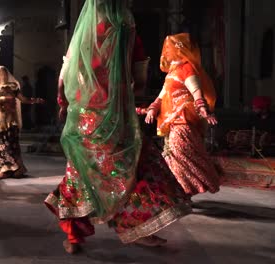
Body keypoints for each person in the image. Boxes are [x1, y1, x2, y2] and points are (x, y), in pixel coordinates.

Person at [45, 0, 191, 254]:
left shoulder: (84, 33)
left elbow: (64, 77)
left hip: (86, 118)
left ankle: (74, 237)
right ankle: (139, 228)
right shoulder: (128, 30)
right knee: (133, 169)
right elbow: (141, 80)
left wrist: (63, 103)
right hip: (116, 118)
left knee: (82, 173)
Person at [144, 32, 221, 195]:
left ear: (180, 49)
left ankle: (184, 190)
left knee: (181, 154)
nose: (167, 51)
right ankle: (183, 191)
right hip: (173, 122)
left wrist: (204, 111)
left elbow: (197, 92)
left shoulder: (187, 68)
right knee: (175, 156)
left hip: (185, 120)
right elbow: (162, 96)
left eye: (170, 48)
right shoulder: (172, 72)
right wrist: (152, 109)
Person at [0, 66, 45, 179]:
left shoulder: (13, 87)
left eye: (4, 73)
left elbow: (23, 99)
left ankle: (17, 168)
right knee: (1, 145)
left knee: (12, 145)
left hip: (11, 120)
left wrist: (35, 100)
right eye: (0, 73)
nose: (2, 75)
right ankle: (5, 169)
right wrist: (4, 99)